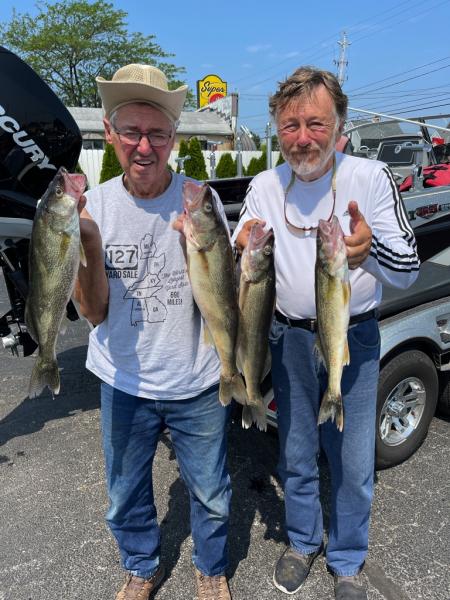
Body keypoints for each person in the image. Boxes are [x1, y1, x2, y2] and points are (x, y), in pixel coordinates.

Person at [234, 66, 420, 600]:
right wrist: (237, 240)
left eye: (316, 123)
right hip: (288, 337)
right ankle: (301, 541)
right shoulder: (267, 185)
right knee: (294, 450)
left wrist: (370, 252)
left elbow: (407, 267)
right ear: (276, 130)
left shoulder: (369, 177)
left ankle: (346, 559)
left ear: (340, 125)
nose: (302, 138)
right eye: (289, 126)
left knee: (354, 459)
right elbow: (243, 241)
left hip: (351, 337)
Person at [74, 63, 232, 600]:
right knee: (124, 493)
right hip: (123, 381)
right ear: (109, 132)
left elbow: (222, 299)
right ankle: (141, 567)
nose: (144, 146)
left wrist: (205, 251)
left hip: (197, 382)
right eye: (132, 132)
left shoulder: (199, 201)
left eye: (157, 133)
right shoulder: (92, 208)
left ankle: (211, 570)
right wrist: (90, 249)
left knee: (210, 493)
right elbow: (94, 313)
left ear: (174, 138)